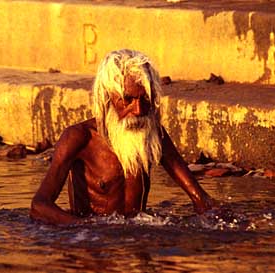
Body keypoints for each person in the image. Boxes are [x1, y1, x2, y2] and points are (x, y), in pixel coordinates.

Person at [30, 49, 214, 225]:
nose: (139, 110)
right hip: (92, 248)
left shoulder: (152, 132)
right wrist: (86, 230)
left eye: (145, 99)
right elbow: (39, 206)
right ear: (108, 97)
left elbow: (200, 198)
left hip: (137, 242)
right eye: (128, 100)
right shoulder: (80, 137)